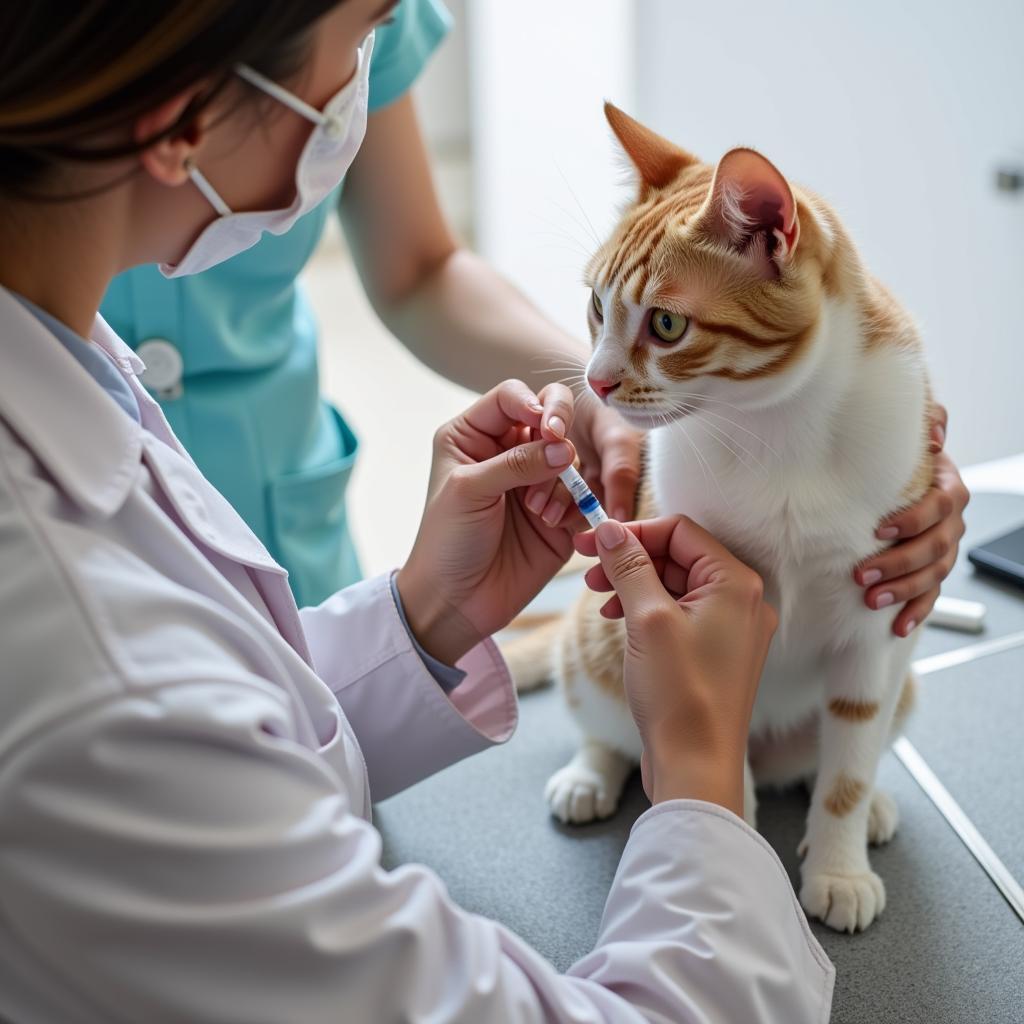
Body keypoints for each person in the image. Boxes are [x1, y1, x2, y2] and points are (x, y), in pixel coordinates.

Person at [0, 2, 961, 1021]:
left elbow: (226, 731)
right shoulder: (87, 680)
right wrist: (695, 776)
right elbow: (166, 748)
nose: (369, 81)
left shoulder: (66, 361)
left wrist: (423, 616)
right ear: (181, 115)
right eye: (365, 29)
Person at [97, 0, 968, 630]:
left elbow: (422, 267)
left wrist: (886, 466)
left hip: (288, 545)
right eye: (365, 28)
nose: (367, 63)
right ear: (177, 122)